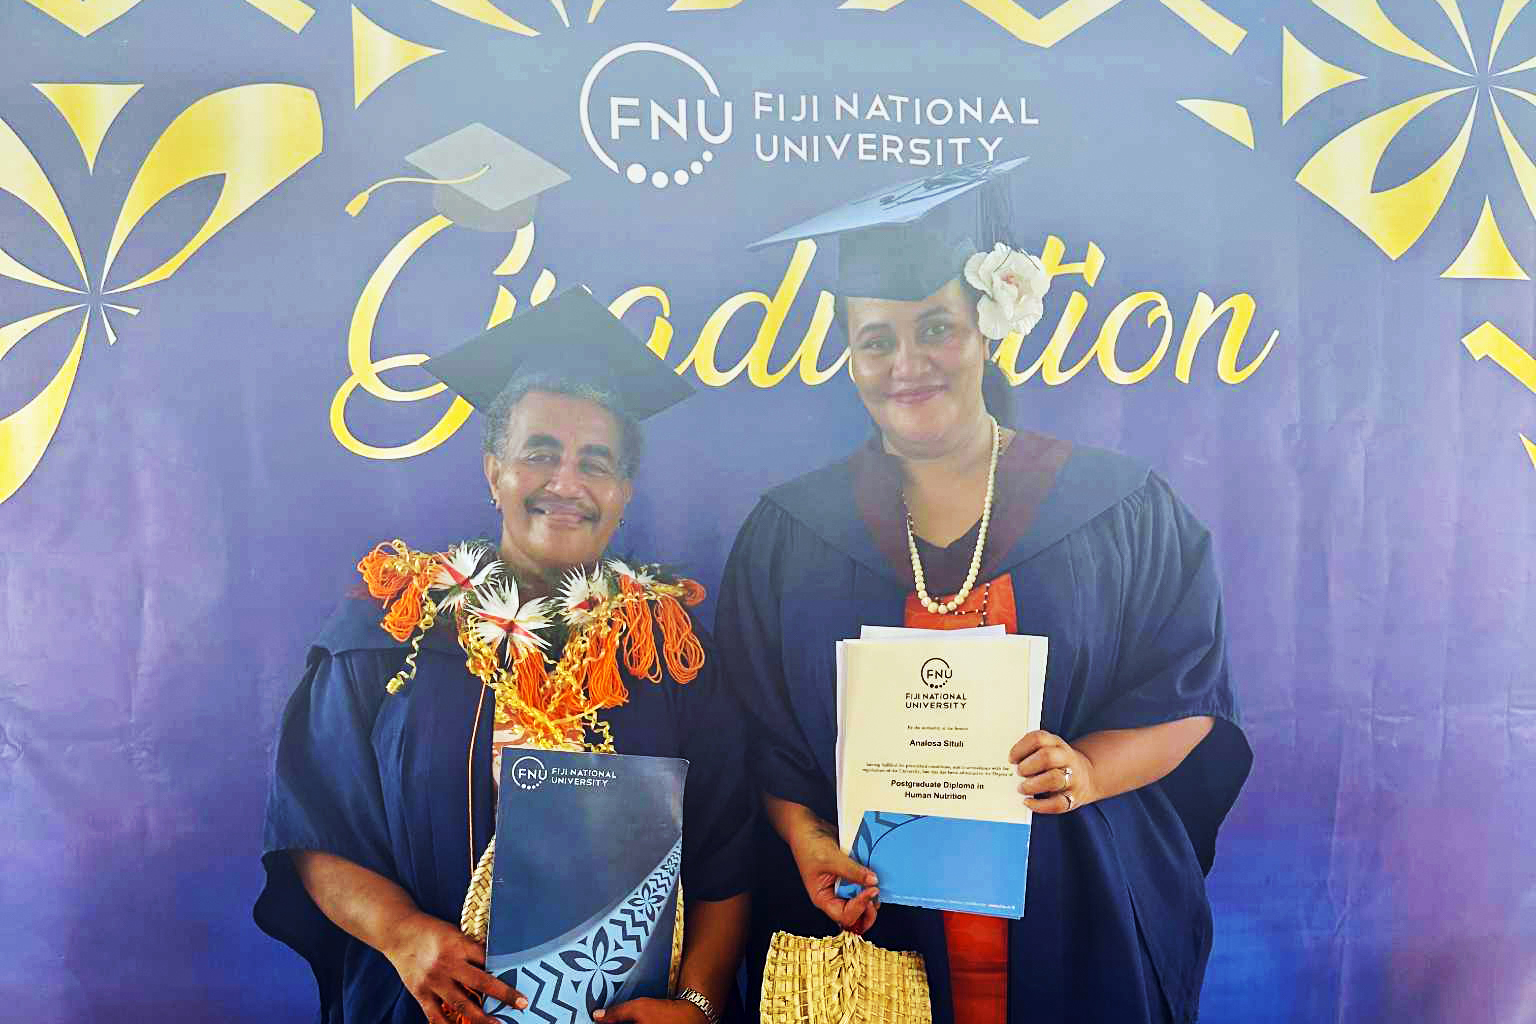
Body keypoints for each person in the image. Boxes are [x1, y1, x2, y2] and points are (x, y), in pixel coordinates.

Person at [717, 162, 1253, 1024]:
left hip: (1078, 917)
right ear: (850, 357)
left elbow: (1189, 693)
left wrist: (1086, 769)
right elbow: (758, 731)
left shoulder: (1117, 507)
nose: (907, 363)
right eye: (877, 339)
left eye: (936, 328)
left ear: (986, 330)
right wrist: (804, 836)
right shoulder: (792, 532)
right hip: (866, 931)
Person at [256, 289, 753, 1024]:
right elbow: (312, 826)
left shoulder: (667, 655)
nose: (566, 484)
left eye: (596, 462)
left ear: (623, 491)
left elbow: (725, 857)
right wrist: (401, 934)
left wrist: (700, 1005)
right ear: (494, 472)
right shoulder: (393, 631)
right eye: (539, 454)